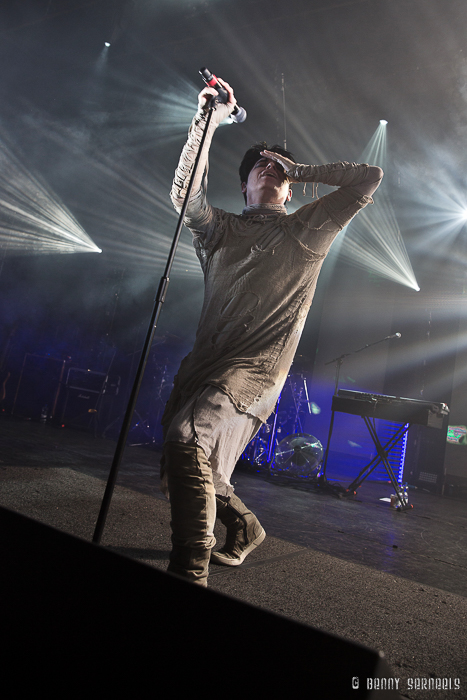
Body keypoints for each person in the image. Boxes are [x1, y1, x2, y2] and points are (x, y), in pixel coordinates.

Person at [161, 78, 383, 586]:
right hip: (207, 361)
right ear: (244, 186)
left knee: (186, 438)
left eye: (278, 167)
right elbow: (184, 194)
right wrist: (208, 120)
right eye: (258, 164)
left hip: (256, 369)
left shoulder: (308, 228)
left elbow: (368, 177)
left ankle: (189, 570)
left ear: (289, 186)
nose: (268, 167)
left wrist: (303, 170)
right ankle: (245, 527)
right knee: (189, 467)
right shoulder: (219, 230)